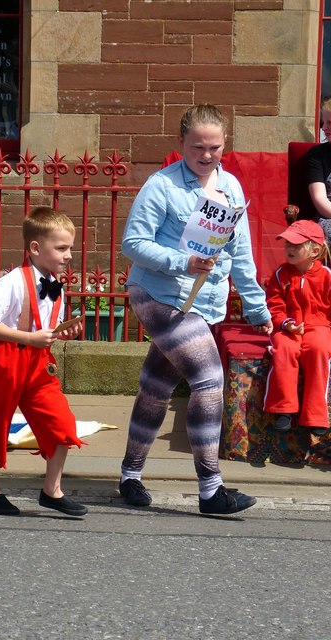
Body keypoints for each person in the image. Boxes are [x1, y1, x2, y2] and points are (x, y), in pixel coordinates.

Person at [119, 104, 273, 515]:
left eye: (215, 147)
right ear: (181, 144)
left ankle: (129, 476)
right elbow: (132, 244)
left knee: (156, 386)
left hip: (203, 301)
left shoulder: (232, 188)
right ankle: (211, 489)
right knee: (208, 380)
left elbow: (241, 255)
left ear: (226, 144)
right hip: (158, 294)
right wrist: (181, 262)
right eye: (197, 147)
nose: (207, 155)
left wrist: (258, 309)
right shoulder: (162, 186)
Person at [0, 206, 88, 517]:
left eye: (69, 249)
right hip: (7, 361)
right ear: (35, 248)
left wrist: (64, 333)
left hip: (39, 363)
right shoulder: (11, 282)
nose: (68, 256)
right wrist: (30, 339)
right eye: (61, 248)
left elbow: (46, 329)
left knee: (62, 423)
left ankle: (52, 490)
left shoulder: (54, 283)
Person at [264, 220, 331, 436]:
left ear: (315, 250)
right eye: (287, 244)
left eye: (296, 245)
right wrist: (285, 323)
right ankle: (283, 409)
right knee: (284, 349)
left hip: (319, 325)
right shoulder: (279, 274)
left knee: (319, 350)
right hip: (287, 327)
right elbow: (273, 305)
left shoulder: (328, 276)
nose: (289, 249)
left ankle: (315, 415)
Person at [307, 96, 331, 238]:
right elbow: (319, 199)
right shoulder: (316, 155)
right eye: (324, 122)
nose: (324, 128)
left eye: (330, 123)